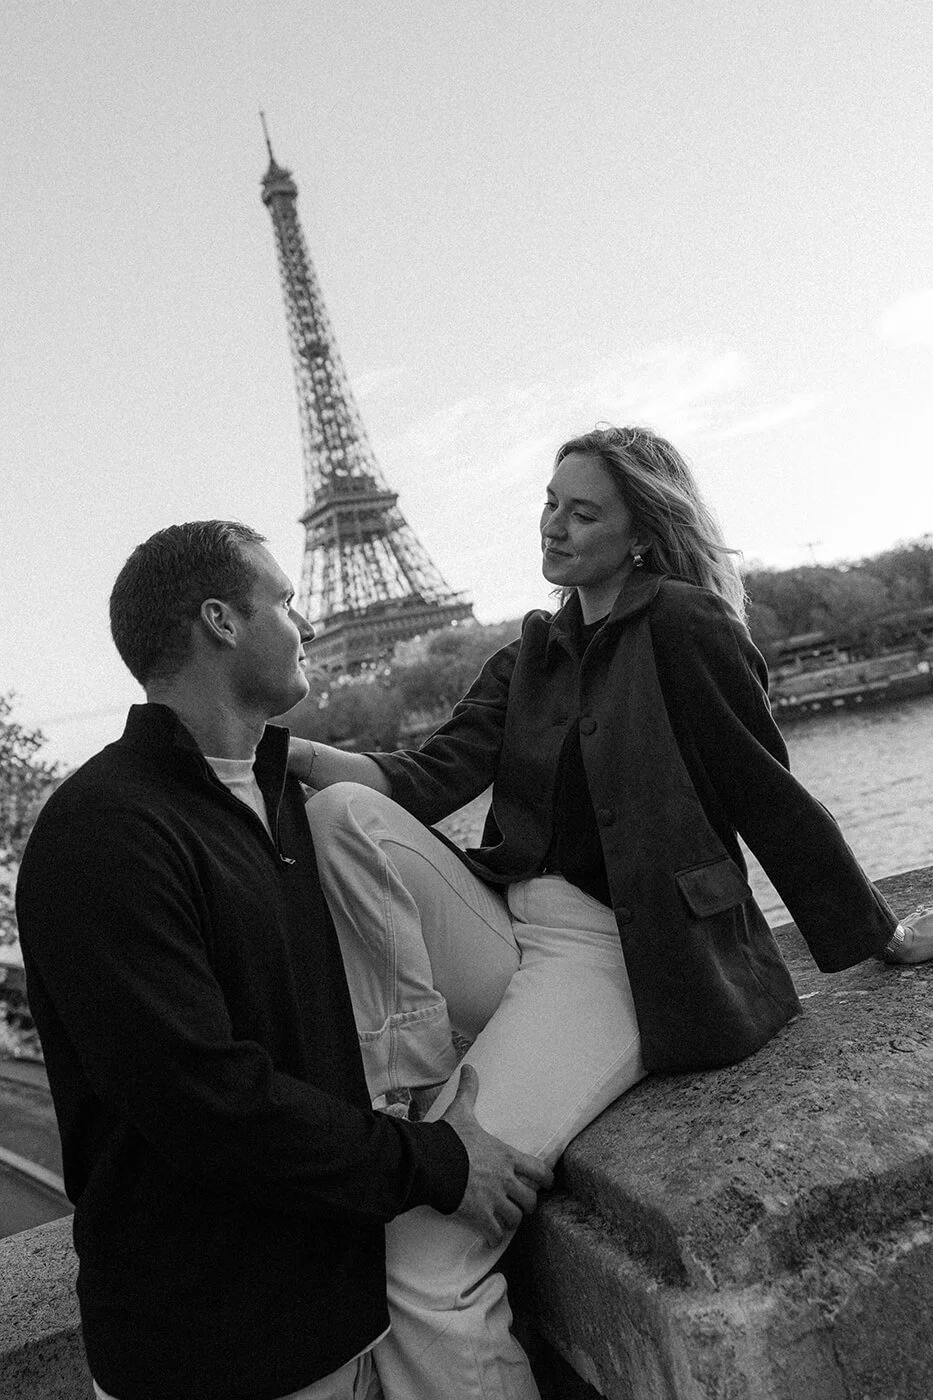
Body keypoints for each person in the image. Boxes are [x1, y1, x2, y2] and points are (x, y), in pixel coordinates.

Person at [286, 425, 933, 1400]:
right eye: (549, 502)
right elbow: (422, 779)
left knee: (422, 1246)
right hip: (507, 927)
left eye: (582, 512)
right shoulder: (529, 653)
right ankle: (407, 1081)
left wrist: (874, 929)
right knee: (340, 812)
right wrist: (277, 750)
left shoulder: (685, 626)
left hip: (616, 953)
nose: (553, 524)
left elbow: (767, 793)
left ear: (641, 535)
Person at [15, 520, 552, 1400]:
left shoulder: (284, 805)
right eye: (286, 602)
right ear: (221, 621)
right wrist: (437, 1163)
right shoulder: (103, 834)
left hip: (343, 1313)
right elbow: (206, 1102)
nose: (303, 625)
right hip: (218, 1358)